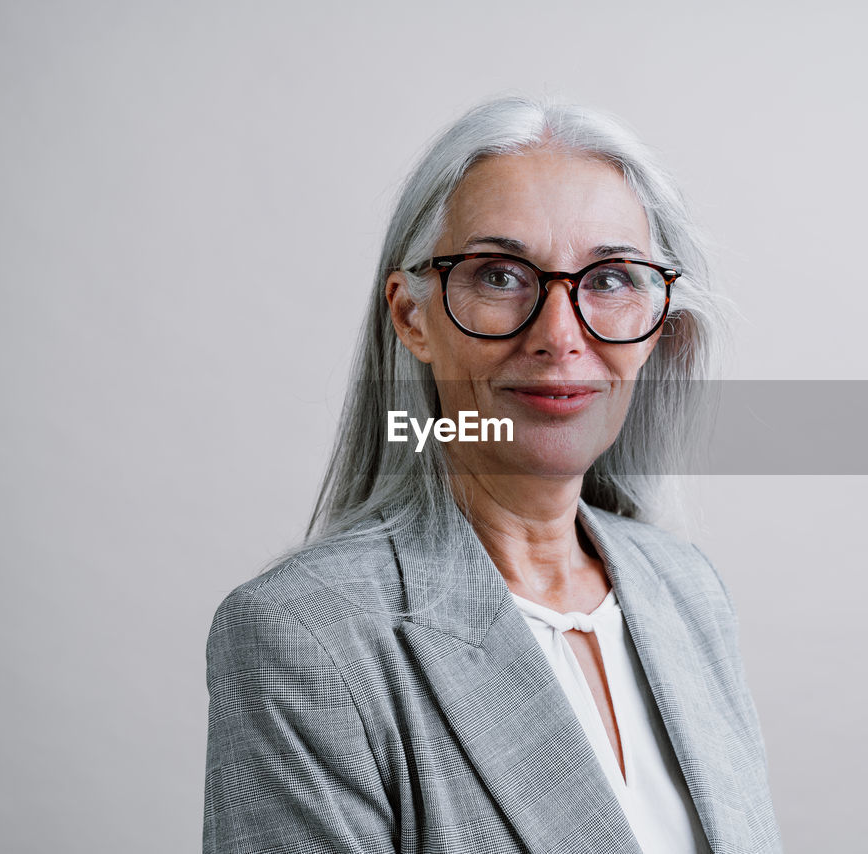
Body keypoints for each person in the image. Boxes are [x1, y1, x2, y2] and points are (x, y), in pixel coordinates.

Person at [202, 95, 783, 854]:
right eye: (501, 276)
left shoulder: (689, 590)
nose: (559, 336)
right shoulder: (305, 638)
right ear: (413, 317)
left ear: (659, 322)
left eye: (610, 279)